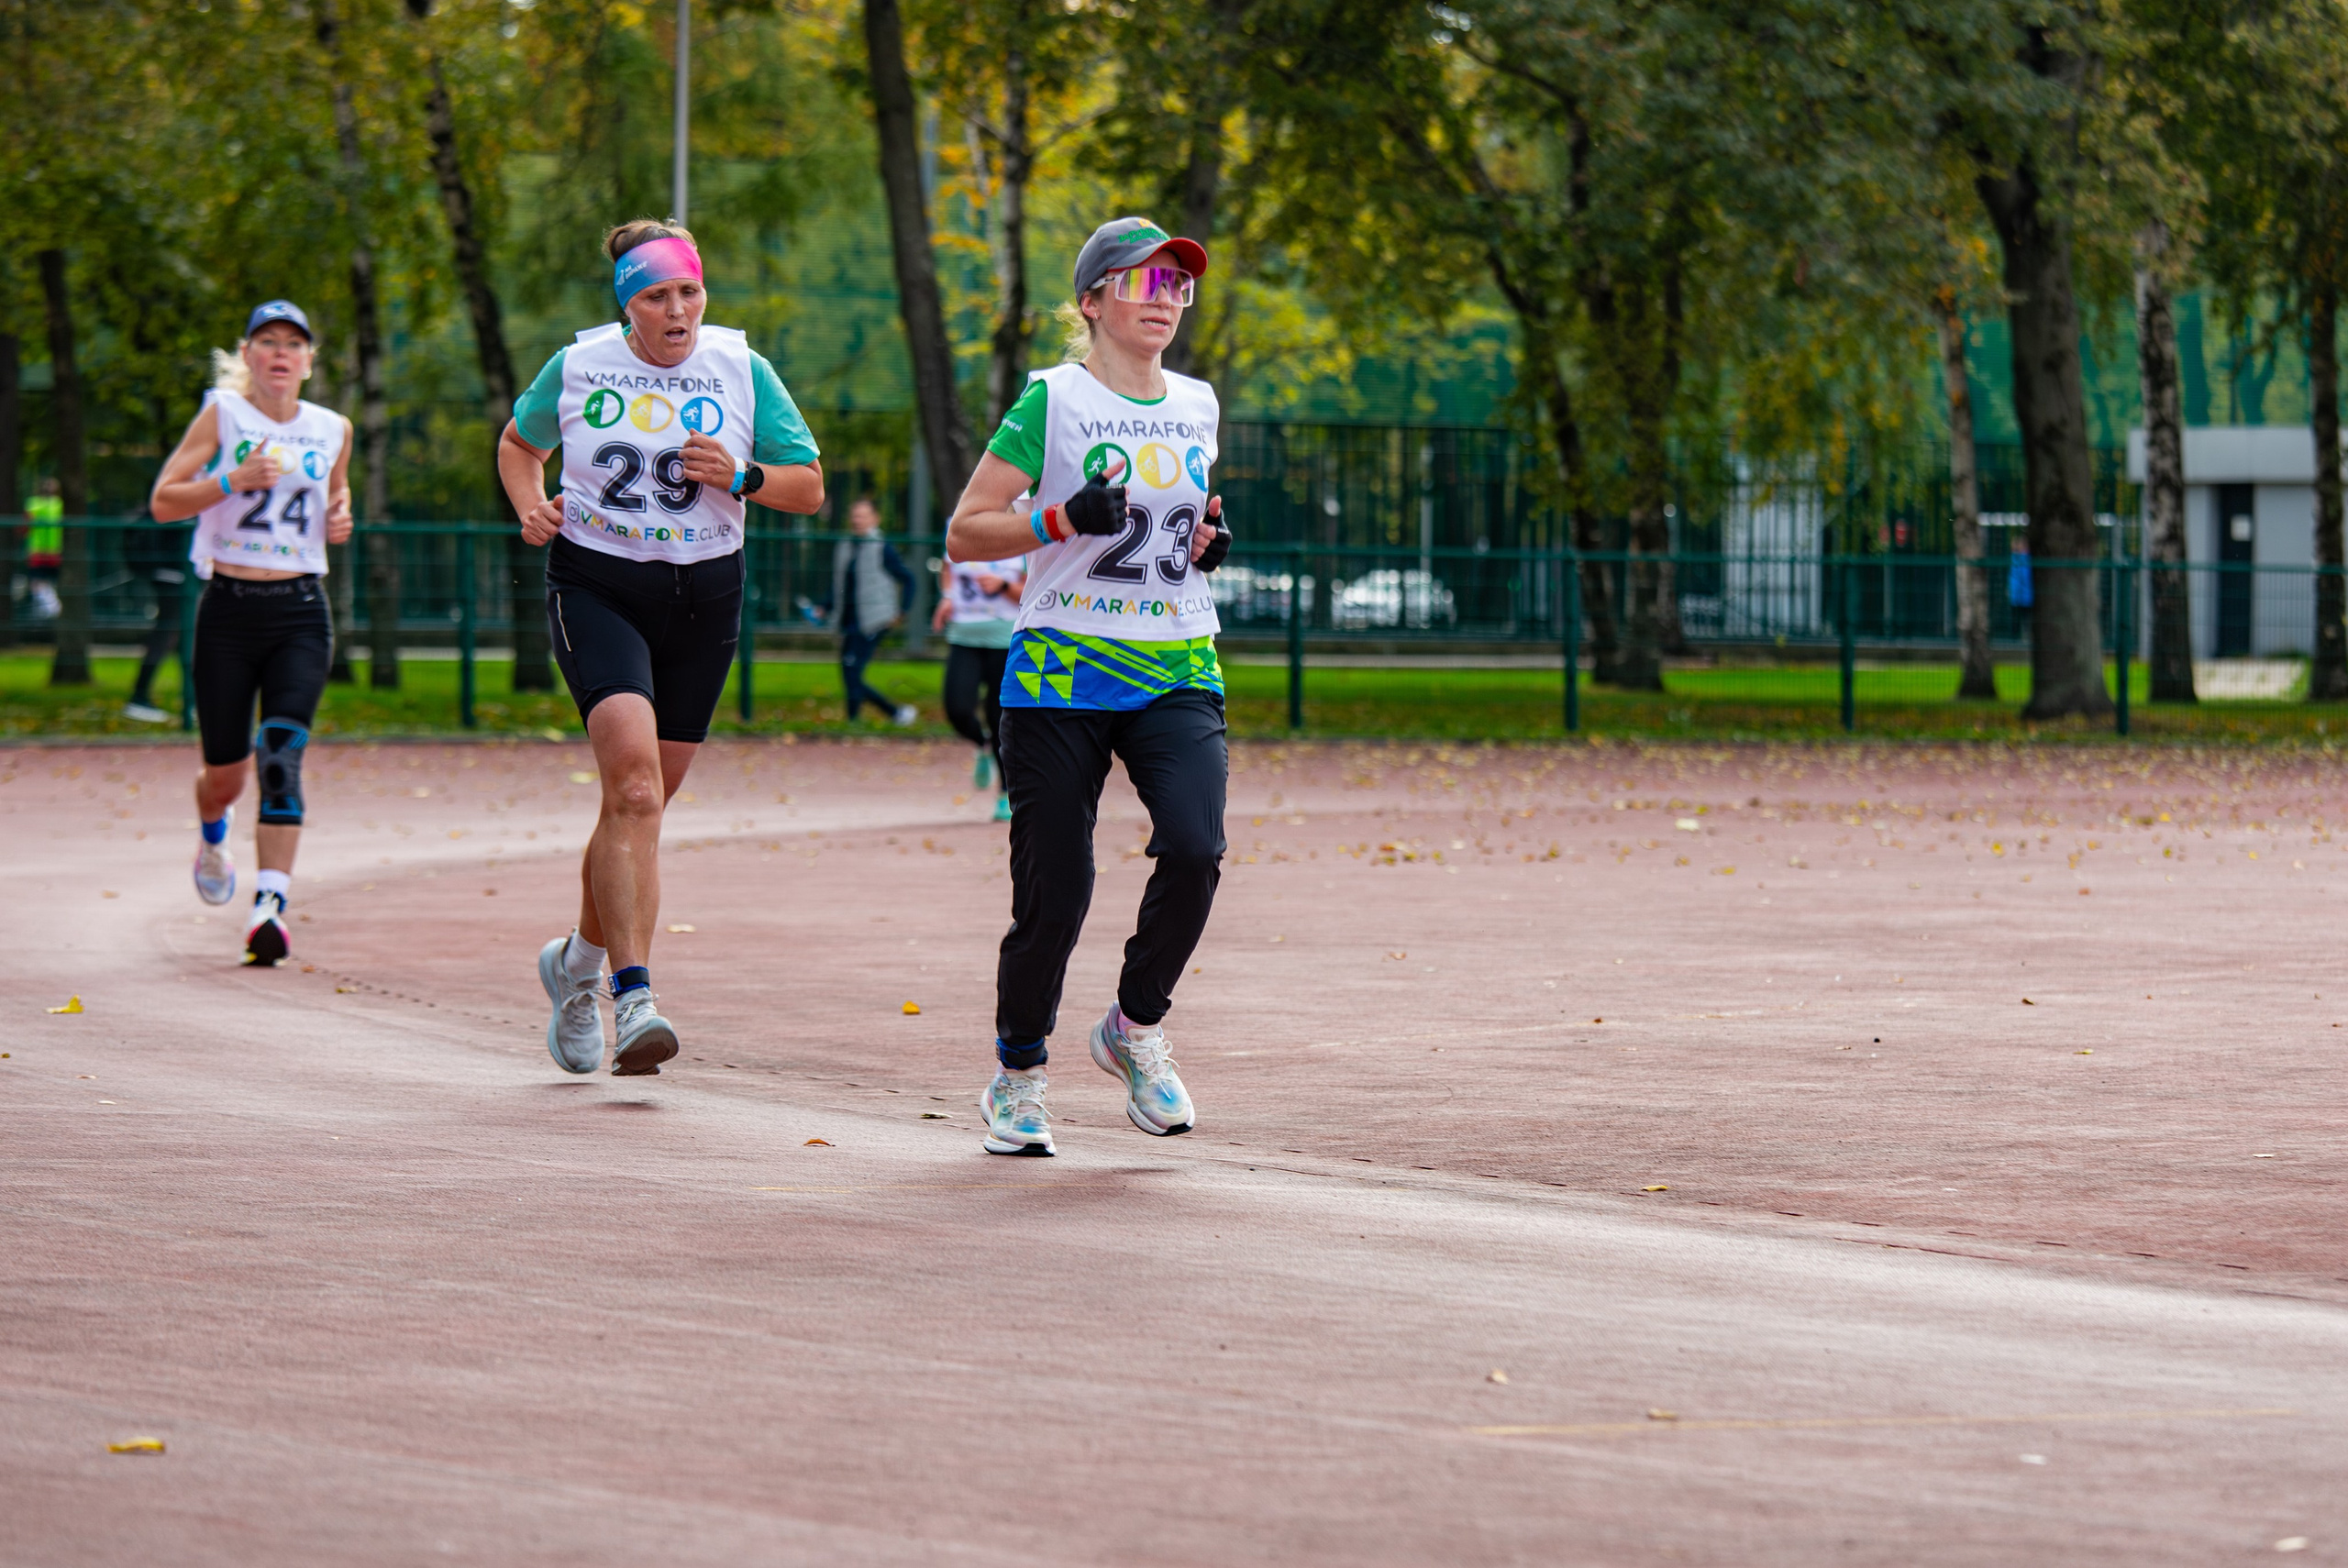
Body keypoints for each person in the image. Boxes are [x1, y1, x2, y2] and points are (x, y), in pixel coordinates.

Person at [499, 218, 824, 1077]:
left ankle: (573, 966)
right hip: (598, 584)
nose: (677, 310)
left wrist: (744, 477)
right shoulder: (577, 368)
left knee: (639, 806)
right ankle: (632, 995)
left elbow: (809, 487)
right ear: (626, 306)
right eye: (655, 296)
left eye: (689, 291)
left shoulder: (743, 369)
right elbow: (519, 444)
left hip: (704, 595)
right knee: (634, 785)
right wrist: (530, 501)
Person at [945, 216, 1234, 1156]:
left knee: (1194, 848)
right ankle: (1018, 1074)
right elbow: (969, 529)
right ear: (1091, 300)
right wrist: (1059, 515)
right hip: (1061, 670)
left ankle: (1134, 1027)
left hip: (1176, 659)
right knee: (1055, 890)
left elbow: (1180, 523)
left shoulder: (1196, 404)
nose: (1162, 298)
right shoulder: (1052, 401)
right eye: (1141, 282)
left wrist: (1202, 543)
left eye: (1175, 285)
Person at [148, 302, 355, 966]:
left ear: (308, 362)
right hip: (229, 609)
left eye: (293, 343)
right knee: (227, 776)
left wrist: (340, 519)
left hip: (300, 608)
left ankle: (270, 904)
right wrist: (229, 481)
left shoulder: (333, 428)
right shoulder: (224, 414)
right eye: (267, 342)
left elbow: (336, 500)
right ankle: (214, 830)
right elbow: (163, 500)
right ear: (249, 354)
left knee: (281, 753)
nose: (280, 353)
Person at [931, 545, 1024, 821]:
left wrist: (1004, 585)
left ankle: (1006, 793)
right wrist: (947, 597)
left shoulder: (1024, 528)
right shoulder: (962, 528)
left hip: (1004, 636)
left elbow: (1034, 591)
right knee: (957, 708)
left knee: (999, 718)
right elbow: (948, 568)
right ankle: (982, 745)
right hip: (964, 635)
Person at [828, 496, 916, 725]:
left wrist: (902, 611)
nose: (857, 520)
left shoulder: (882, 548)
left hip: (873, 620)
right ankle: (854, 719)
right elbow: (840, 586)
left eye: (863, 516)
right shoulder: (845, 546)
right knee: (849, 672)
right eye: (855, 515)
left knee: (852, 672)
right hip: (849, 619)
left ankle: (894, 713)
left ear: (874, 519)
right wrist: (825, 607)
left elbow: (908, 579)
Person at [125, 504, 190, 723]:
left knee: (182, 636)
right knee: (167, 634)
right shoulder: (175, 497)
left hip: (175, 573)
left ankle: (191, 701)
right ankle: (139, 697)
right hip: (173, 573)